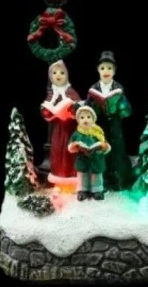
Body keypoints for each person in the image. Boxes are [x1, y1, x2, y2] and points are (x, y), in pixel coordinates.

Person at [87, 52, 135, 191]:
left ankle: (119, 179)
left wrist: (120, 106)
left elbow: (127, 110)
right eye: (102, 68)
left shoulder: (118, 88)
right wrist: (94, 107)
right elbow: (87, 108)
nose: (106, 71)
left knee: (117, 151)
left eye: (109, 68)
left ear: (114, 71)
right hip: (100, 125)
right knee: (101, 150)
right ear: (98, 70)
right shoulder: (94, 89)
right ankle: (103, 180)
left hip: (114, 124)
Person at [41, 60, 81, 185]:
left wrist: (72, 109)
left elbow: (79, 107)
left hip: (70, 129)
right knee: (57, 152)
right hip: (58, 129)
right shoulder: (51, 94)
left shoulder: (70, 91)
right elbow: (45, 111)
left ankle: (72, 178)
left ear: (66, 75)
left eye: (62, 72)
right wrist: (48, 111)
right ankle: (58, 179)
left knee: (70, 152)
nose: (58, 75)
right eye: (55, 73)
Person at [68, 103, 111, 201]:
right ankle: (83, 190)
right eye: (82, 117)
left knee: (96, 176)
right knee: (83, 176)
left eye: (88, 117)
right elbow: (70, 146)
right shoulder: (77, 134)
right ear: (78, 120)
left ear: (93, 119)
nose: (85, 120)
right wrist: (76, 146)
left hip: (96, 158)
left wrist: (102, 146)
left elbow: (106, 145)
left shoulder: (98, 133)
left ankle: (97, 190)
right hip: (82, 159)